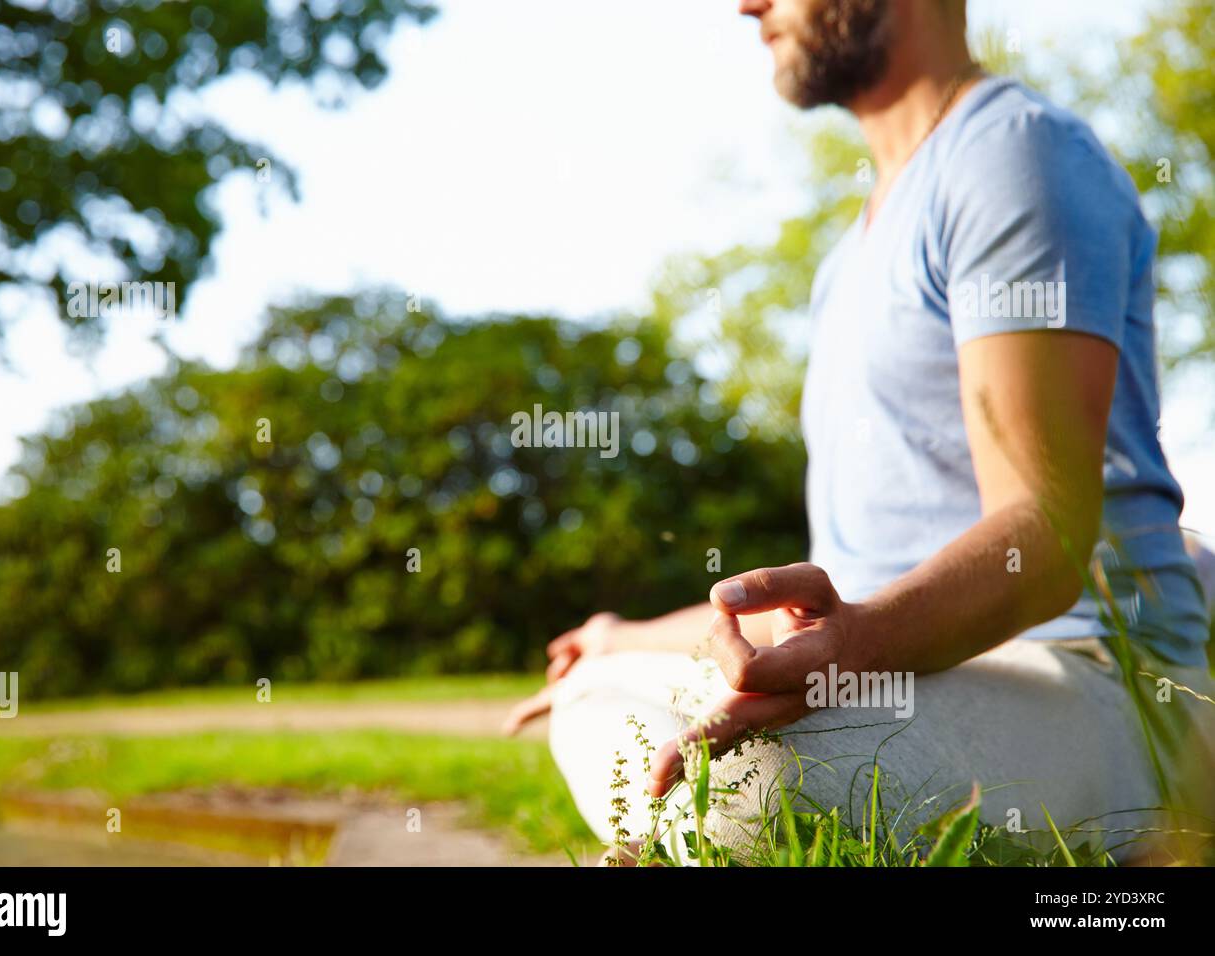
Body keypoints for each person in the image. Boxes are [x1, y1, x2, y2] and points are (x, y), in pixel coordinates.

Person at [504, 0, 1215, 864]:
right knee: (599, 691)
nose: (747, 4)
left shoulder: (1015, 157)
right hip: (916, 669)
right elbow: (843, 601)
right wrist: (620, 637)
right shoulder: (847, 264)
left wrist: (856, 649)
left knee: (742, 790)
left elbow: (1050, 533)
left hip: (1088, 670)